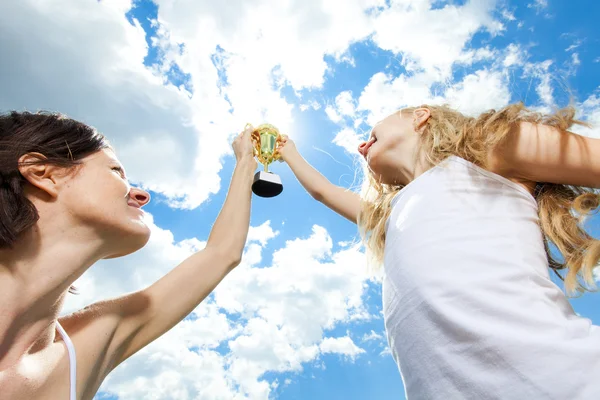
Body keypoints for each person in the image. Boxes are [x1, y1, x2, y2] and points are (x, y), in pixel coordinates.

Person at [278, 103, 600, 399]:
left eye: (370, 133)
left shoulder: (488, 152)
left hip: (565, 380)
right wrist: (289, 151)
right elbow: (323, 192)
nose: (361, 146)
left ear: (420, 116)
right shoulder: (391, 220)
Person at [0, 111, 257, 399]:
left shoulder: (85, 348)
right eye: (115, 171)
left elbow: (222, 254)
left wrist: (246, 161)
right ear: (43, 173)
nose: (142, 195)